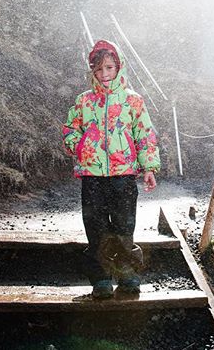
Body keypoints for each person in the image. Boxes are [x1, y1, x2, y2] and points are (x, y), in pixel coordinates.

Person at [62, 39, 160, 299]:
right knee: (96, 227)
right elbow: (70, 129)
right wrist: (80, 145)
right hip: (92, 176)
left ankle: (128, 275)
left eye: (109, 68)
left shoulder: (133, 101)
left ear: (119, 67)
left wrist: (148, 167)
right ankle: (102, 279)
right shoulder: (84, 101)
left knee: (124, 227)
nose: (104, 75)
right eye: (98, 69)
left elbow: (144, 135)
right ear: (92, 71)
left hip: (124, 175)